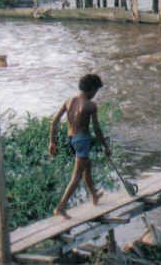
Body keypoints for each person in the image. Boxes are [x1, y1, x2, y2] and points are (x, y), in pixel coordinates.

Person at [48, 74, 110, 218]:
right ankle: (61, 206)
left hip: (71, 139)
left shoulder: (69, 100)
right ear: (92, 89)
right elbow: (96, 128)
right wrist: (105, 146)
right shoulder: (90, 105)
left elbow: (54, 121)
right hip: (82, 141)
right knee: (76, 175)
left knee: (86, 167)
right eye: (96, 91)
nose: (95, 94)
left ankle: (94, 195)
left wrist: (52, 142)